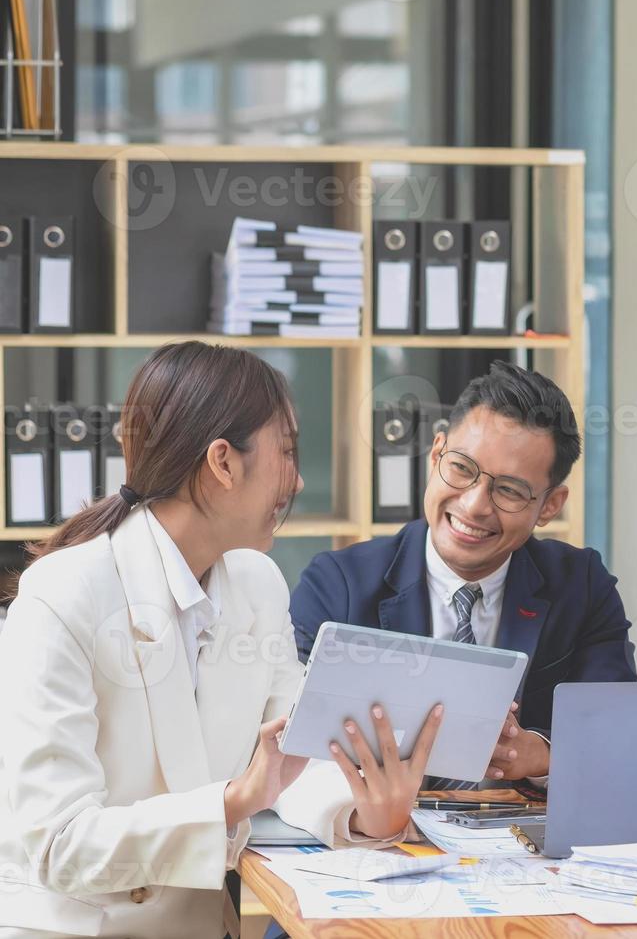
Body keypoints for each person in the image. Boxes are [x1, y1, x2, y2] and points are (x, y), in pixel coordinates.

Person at [0, 342, 443, 939]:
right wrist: (233, 800)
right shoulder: (64, 594)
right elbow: (59, 846)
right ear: (224, 463)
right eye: (286, 451)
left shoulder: (256, 583)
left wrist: (364, 812)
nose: (299, 478)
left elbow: (295, 757)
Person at [291, 361, 635, 792]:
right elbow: (294, 751)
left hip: (521, 842)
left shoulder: (581, 587)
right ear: (436, 455)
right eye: (461, 469)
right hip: (372, 841)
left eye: (509, 489)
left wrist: (541, 754)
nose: (474, 505)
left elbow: (621, 737)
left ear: (550, 505)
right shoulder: (337, 586)